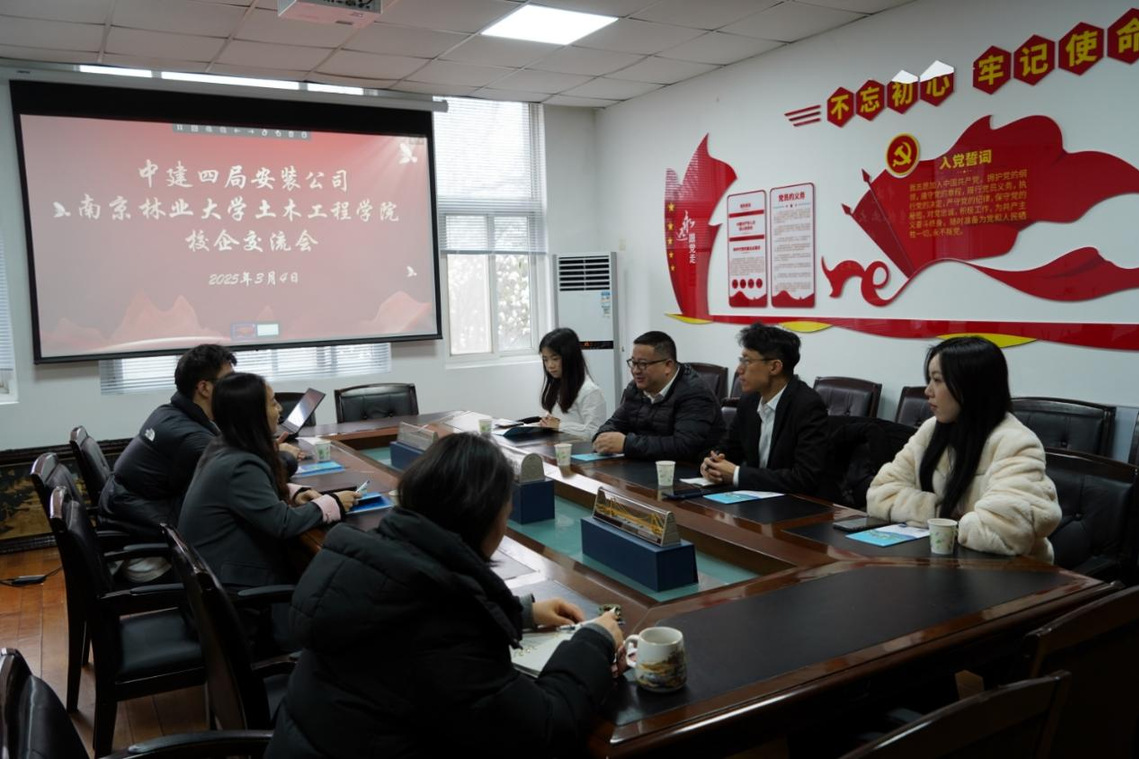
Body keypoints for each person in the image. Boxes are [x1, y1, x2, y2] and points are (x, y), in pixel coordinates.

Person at [267, 433, 624, 759]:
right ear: (483, 518)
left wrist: (521, 613)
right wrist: (595, 641)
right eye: (506, 511)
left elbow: (418, 613)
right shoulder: (443, 627)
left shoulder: (371, 561)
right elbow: (545, 728)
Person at [866, 337, 1061, 561]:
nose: (928, 391)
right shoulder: (932, 429)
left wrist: (935, 519)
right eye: (929, 380)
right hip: (944, 562)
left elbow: (1004, 532)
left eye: (937, 380)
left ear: (971, 386)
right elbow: (880, 494)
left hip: (1010, 573)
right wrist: (942, 515)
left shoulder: (1016, 442)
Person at [178, 372, 357, 597]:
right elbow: (282, 524)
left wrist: (293, 492)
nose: (279, 409)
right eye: (273, 403)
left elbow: (248, 493)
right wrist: (332, 504)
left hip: (214, 568)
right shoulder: (240, 464)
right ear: (253, 413)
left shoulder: (223, 444)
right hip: (232, 586)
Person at [99, 343, 236, 582]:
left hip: (135, 526)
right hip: (150, 559)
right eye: (229, 381)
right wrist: (281, 458)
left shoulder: (168, 413)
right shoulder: (192, 438)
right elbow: (239, 474)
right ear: (204, 387)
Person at [700, 324, 831, 496]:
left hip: (797, 503)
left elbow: (805, 478)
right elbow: (729, 448)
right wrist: (712, 464)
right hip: (757, 498)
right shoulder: (749, 400)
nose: (739, 369)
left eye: (747, 361)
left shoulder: (807, 406)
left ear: (774, 367)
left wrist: (738, 474)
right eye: (741, 360)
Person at [594, 330, 725, 461]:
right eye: (633, 363)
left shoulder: (694, 393)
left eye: (643, 364)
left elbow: (684, 446)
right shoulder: (636, 388)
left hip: (688, 468)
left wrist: (627, 444)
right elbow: (615, 423)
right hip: (645, 465)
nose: (635, 371)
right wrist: (603, 437)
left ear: (668, 365)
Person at [536, 327, 607, 439]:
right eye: (545, 359)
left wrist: (560, 426)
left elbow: (595, 432)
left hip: (581, 449)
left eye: (555, 359)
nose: (550, 365)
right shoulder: (557, 386)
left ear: (570, 358)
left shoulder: (590, 391)